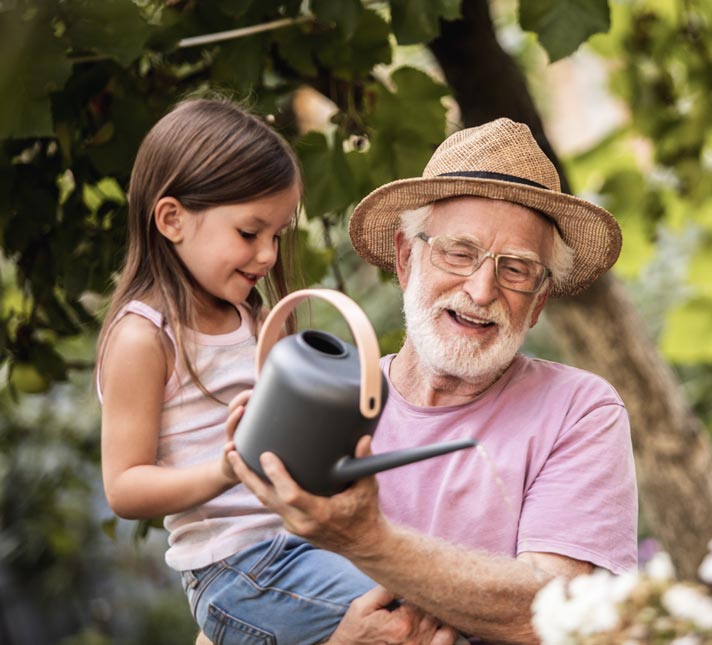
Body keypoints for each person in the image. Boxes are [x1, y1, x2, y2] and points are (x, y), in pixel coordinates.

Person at [228, 117, 639, 643]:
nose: (482, 288)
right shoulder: (324, 401)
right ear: (405, 259)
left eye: (516, 270)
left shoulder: (579, 409)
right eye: (459, 253)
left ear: (538, 302)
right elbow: (232, 600)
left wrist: (369, 539)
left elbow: (560, 614)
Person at [96, 97, 455, 645]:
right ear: (172, 219)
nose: (267, 255)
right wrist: (225, 469)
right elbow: (124, 488)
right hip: (239, 569)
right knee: (417, 616)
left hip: (300, 543)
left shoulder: (256, 318)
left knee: (435, 604)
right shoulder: (143, 337)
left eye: (277, 235)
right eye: (249, 233)